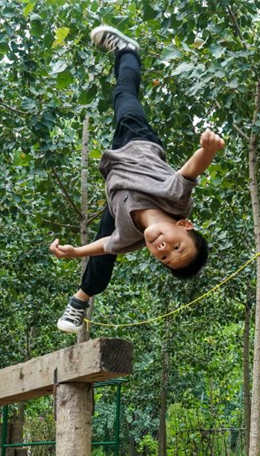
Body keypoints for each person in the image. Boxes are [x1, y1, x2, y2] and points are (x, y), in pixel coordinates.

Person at [49, 25, 225, 333]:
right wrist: (208, 150)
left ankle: (81, 299)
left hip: (118, 190)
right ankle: (127, 50)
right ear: (184, 224)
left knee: (108, 251)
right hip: (138, 141)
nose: (163, 249)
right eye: (177, 247)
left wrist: (76, 252)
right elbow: (190, 172)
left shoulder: (131, 236)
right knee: (123, 94)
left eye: (165, 258)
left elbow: (106, 244)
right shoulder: (174, 199)